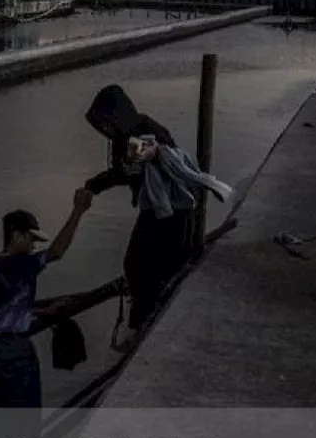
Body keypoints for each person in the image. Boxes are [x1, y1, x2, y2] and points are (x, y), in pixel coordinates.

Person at [82, 85, 230, 351]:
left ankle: (144, 320)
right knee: (142, 266)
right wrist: (94, 185)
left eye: (105, 124)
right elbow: (124, 172)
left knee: (146, 266)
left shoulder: (145, 134)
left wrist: (98, 182)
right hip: (155, 210)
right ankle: (144, 315)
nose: (104, 131)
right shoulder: (123, 138)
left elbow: (136, 166)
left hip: (173, 212)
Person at [0, 190, 91, 438]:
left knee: (0, 424)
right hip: (15, 353)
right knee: (25, 424)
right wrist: (78, 210)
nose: (34, 245)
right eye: (30, 238)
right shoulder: (18, 264)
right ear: (15, 236)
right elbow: (56, 252)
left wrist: (43, 311)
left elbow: (6, 309)